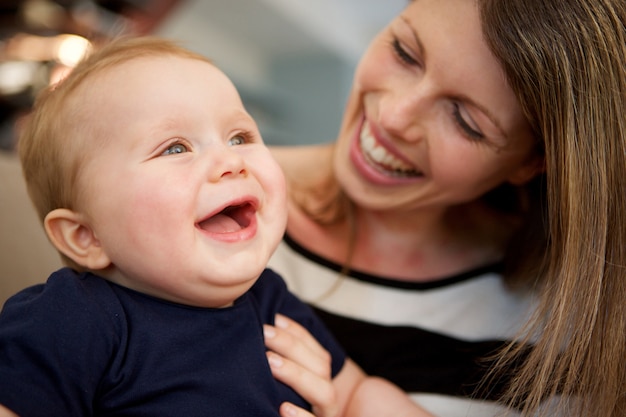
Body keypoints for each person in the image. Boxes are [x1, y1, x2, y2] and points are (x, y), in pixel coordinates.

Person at [0, 36, 434, 417]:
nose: (231, 162)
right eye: (174, 148)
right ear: (86, 236)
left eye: (240, 137)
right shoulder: (74, 318)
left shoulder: (270, 302)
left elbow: (358, 394)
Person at [267, 0, 626, 416]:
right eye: (404, 51)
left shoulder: (566, 337)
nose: (394, 115)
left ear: (533, 161)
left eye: (465, 120)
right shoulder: (198, 203)